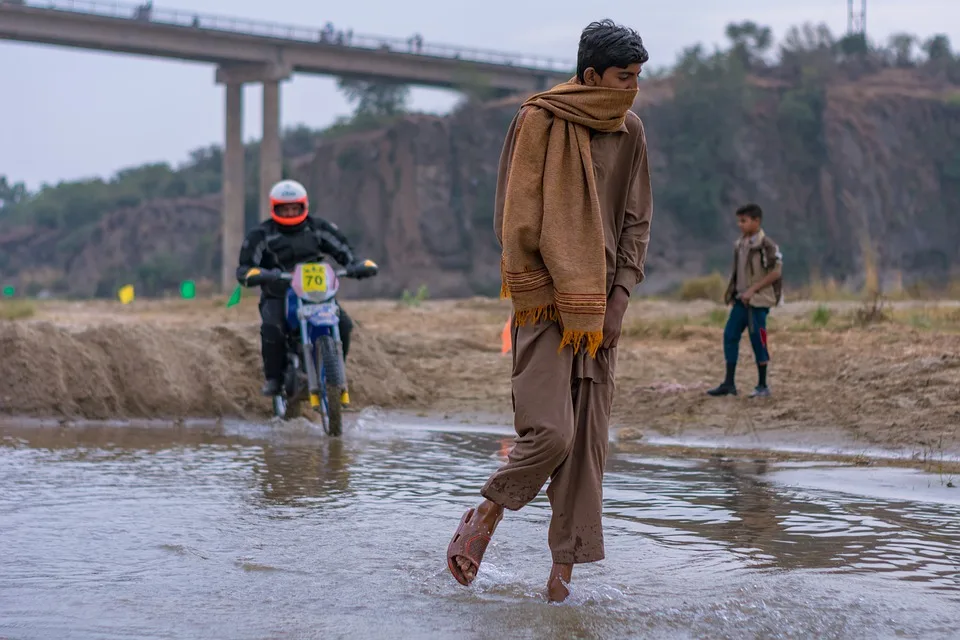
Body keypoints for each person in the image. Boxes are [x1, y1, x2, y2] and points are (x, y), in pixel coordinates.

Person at [445, 19, 653, 602]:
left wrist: (618, 299)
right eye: (622, 77)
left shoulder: (631, 130)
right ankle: (485, 513)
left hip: (599, 315)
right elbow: (511, 220)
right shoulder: (536, 120)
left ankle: (559, 585)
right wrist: (541, 292)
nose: (632, 88)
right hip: (543, 307)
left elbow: (637, 221)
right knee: (552, 435)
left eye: (638, 78)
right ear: (590, 75)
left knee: (586, 451)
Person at [236, 179, 371, 402]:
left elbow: (344, 251)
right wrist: (256, 273)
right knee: (273, 329)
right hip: (278, 293)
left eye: (294, 208)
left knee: (344, 325)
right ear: (275, 208)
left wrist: (356, 265)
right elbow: (245, 266)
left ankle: (334, 374)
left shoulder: (319, 228)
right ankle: (274, 380)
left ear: (303, 206)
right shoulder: (261, 234)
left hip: (318, 293)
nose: (290, 213)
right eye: (284, 208)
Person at [706, 203, 783, 398]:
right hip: (741, 300)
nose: (740, 225)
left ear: (756, 221)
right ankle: (729, 383)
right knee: (730, 335)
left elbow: (776, 272)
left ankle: (763, 384)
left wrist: (753, 290)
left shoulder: (767, 246)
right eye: (739, 221)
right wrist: (735, 293)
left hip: (759, 301)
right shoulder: (740, 244)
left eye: (744, 221)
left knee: (759, 338)